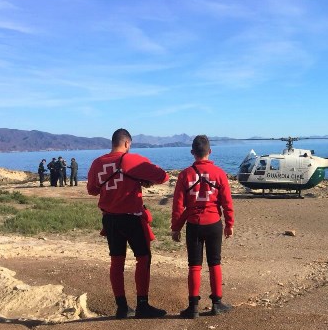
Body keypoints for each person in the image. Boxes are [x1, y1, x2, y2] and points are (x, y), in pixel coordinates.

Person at [87, 128, 169, 319]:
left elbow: (92, 190)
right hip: (132, 218)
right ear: (127, 143)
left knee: (117, 261)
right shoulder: (131, 159)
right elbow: (163, 176)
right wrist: (142, 179)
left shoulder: (97, 163)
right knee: (143, 258)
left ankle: (122, 306)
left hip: (110, 219)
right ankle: (142, 305)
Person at [171, 135, 234, 318]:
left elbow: (178, 205)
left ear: (192, 153)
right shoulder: (219, 173)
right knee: (215, 263)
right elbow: (227, 202)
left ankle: (193, 307)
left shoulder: (185, 175)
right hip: (214, 223)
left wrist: (176, 227)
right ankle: (217, 303)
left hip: (194, 225)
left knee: (194, 265)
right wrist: (229, 224)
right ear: (210, 151)